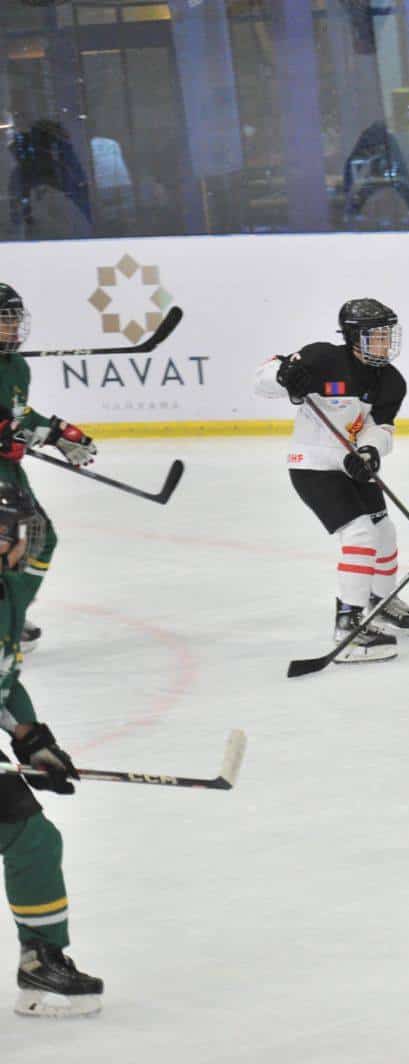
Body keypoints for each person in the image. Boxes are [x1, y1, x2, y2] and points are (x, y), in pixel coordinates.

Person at [254, 299, 409, 663]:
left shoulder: (391, 381)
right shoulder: (322, 358)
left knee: (384, 531)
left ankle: (380, 601)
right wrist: (282, 376)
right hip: (312, 465)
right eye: (376, 336)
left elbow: (381, 429)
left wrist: (370, 452)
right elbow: (262, 379)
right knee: (360, 533)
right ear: (353, 337)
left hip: (352, 464)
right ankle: (348, 626)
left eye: (387, 335)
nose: (384, 343)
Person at [0, 482, 102, 1018]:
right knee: (29, 837)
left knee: (31, 837)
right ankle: (40, 959)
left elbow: (4, 681)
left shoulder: (9, 591)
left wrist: (31, 738)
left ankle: (40, 960)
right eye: (13, 532)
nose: (24, 542)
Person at [0, 283, 97, 652]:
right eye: (4, 319)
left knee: (39, 540)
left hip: (8, 473)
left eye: (15, 318)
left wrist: (59, 433)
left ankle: (12, 612)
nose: (13, 326)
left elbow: (18, 417)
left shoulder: (16, 366)